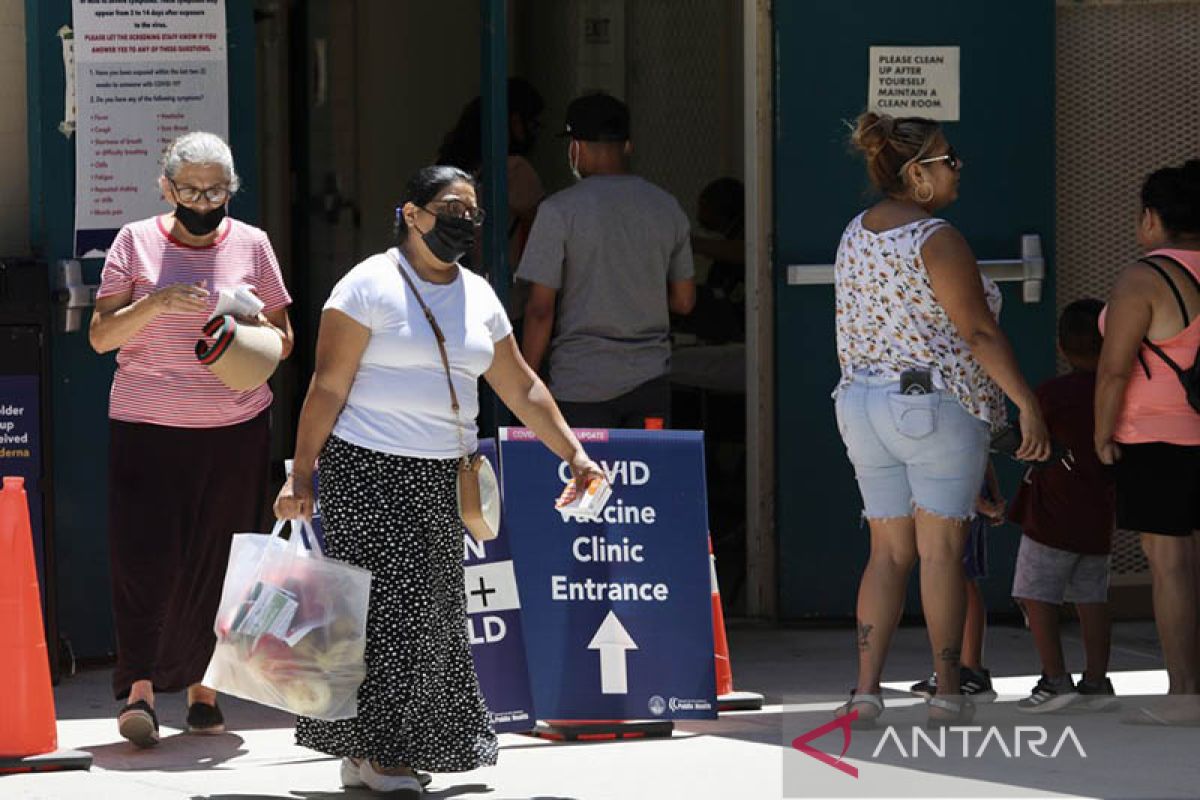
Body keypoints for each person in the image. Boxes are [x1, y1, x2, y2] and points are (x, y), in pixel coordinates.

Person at [273, 165, 604, 793]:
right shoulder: (366, 286)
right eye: (451, 208)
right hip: (368, 469)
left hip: (444, 476)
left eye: (473, 212)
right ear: (413, 213)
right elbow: (327, 386)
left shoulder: (478, 294)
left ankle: (367, 752)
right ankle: (383, 755)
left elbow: (520, 385)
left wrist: (574, 453)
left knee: (431, 618)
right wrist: (304, 474)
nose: (465, 222)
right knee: (383, 616)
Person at [832, 112, 1050, 728]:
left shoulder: (855, 232)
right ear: (917, 174)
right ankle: (947, 688)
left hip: (862, 403)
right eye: (949, 159)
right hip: (930, 403)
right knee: (941, 554)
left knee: (886, 554)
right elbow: (977, 331)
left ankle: (866, 690)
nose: (958, 168)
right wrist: (1024, 403)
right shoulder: (937, 237)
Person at [89, 131, 295, 747]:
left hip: (233, 428)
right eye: (191, 190)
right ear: (166, 188)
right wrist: (155, 305)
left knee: (223, 560)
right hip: (147, 426)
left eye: (216, 190)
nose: (204, 202)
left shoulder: (254, 245)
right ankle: (141, 690)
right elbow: (101, 336)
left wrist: (252, 329)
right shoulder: (135, 242)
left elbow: (285, 340)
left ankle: (207, 689)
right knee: (144, 558)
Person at [517, 92, 696, 429]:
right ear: (628, 146)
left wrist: (525, 385)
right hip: (650, 381)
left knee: (584, 481)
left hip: (579, 384)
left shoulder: (558, 211)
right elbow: (685, 301)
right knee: (645, 479)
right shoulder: (666, 206)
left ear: (575, 148)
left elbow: (540, 309)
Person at [1095, 160, 1200, 725]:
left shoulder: (1146, 278)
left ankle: (1185, 694)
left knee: (1172, 566)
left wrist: (1101, 434)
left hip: (1159, 439)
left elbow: (1113, 372)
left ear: (1154, 218)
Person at [1005, 299, 1116, 713]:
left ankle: (1055, 678)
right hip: (1098, 518)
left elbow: (1024, 439)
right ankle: (1097, 680)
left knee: (1037, 595)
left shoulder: (1051, 395)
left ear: (1062, 346)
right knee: (1093, 598)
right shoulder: (1117, 395)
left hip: (1050, 519)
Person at [909, 462, 1004, 703]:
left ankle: (971, 670)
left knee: (963, 580)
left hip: (960, 499)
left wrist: (983, 500)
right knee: (957, 579)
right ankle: (957, 669)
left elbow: (977, 450)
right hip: (950, 495)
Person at [436, 76, 546, 273]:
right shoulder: (515, 169)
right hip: (501, 284)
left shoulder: (450, 168)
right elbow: (544, 233)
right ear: (514, 122)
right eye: (533, 124)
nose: (535, 133)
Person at [679, 177, 745, 344]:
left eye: (704, 206)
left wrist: (694, 244)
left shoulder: (748, 236)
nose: (699, 214)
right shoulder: (729, 240)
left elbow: (747, 252)